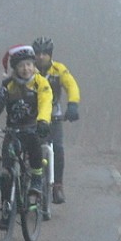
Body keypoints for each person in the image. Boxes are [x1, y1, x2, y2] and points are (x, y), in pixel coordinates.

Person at [0, 44, 53, 200]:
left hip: (33, 128)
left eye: (29, 64)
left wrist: (43, 121)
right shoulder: (8, 85)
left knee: (35, 150)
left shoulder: (40, 83)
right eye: (21, 66)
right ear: (15, 68)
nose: (26, 69)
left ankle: (36, 179)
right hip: (13, 130)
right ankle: (6, 204)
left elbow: (45, 102)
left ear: (34, 65)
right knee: (7, 164)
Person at [32, 36, 80, 204]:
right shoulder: (28, 69)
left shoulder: (59, 69)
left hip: (54, 116)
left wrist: (73, 104)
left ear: (50, 54)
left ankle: (58, 186)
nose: (41, 56)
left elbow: (71, 86)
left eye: (45, 53)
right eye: (38, 53)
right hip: (33, 116)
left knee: (58, 147)